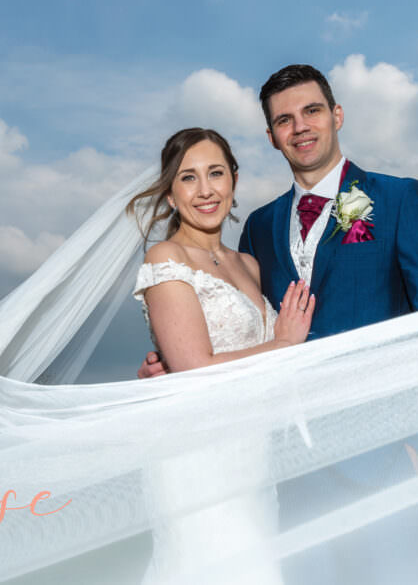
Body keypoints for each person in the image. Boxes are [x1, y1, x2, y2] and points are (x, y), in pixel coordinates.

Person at [138, 64, 418, 583]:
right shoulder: (259, 229)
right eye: (284, 120)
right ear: (271, 136)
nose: (301, 127)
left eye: (312, 111)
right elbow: (237, 330)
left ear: (336, 115)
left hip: (381, 464)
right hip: (280, 476)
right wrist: (175, 368)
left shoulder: (399, 200)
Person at [126, 127, 315, 584]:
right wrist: (284, 344)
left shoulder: (247, 264)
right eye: (188, 178)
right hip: (198, 456)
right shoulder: (165, 256)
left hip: (254, 456)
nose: (206, 190)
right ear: (170, 195)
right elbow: (192, 368)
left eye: (216, 173)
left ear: (233, 179)